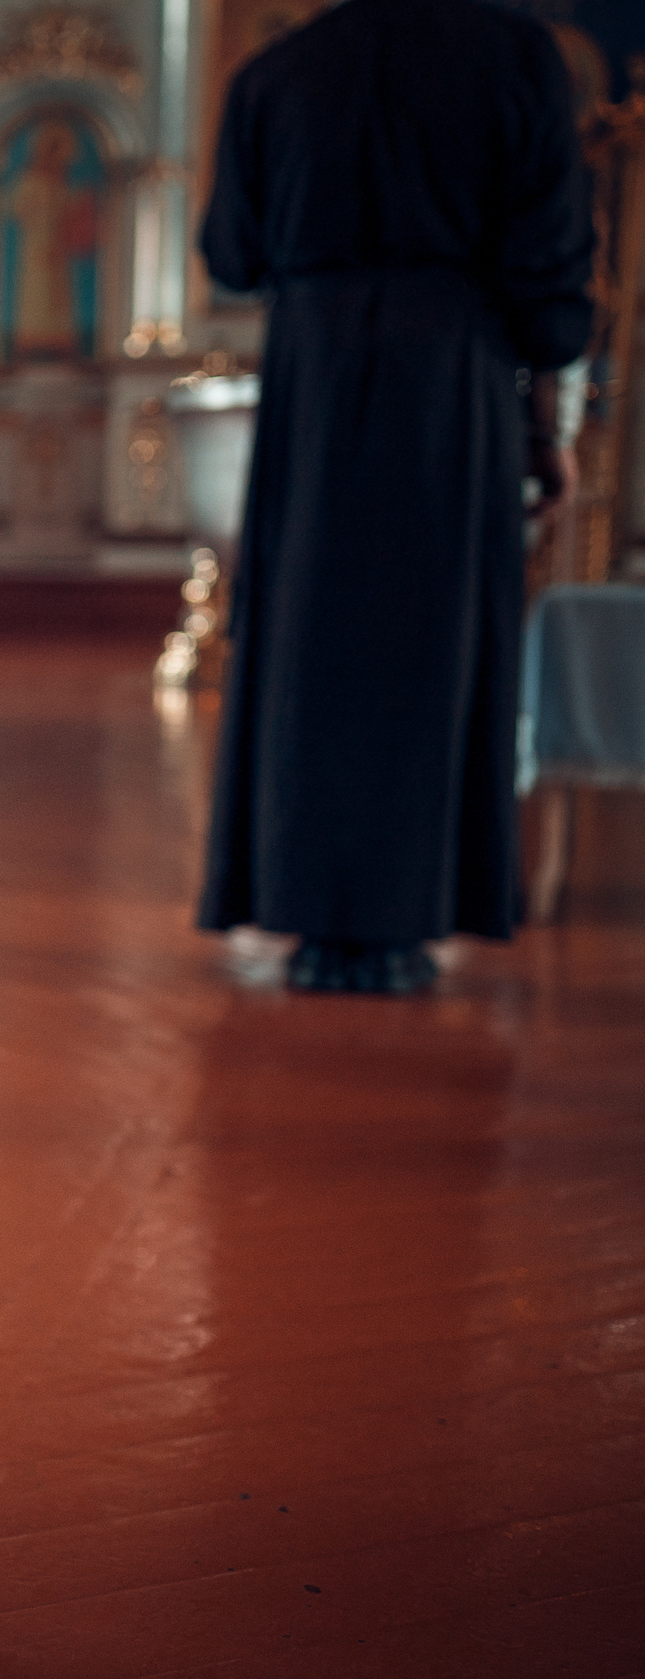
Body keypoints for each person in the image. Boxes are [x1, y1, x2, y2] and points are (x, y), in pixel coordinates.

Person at [196, 0, 594, 993]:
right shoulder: (513, 55)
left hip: (315, 382)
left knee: (309, 645)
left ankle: (310, 912)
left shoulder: (274, 73)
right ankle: (403, 917)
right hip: (452, 380)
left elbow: (232, 255)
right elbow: (548, 260)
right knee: (430, 642)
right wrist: (546, 428)